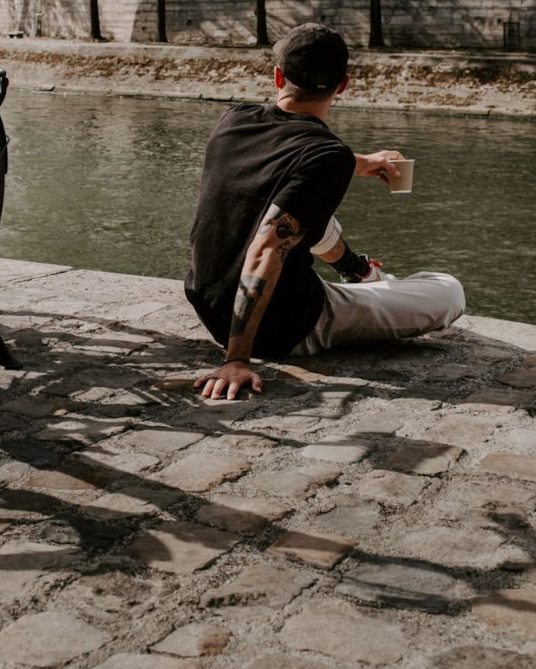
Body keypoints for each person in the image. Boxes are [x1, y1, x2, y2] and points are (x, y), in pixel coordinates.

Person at [186, 23, 466, 400]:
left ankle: (359, 271)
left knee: (301, 211)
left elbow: (295, 158)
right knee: (448, 292)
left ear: (278, 76)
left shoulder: (233, 119)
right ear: (344, 85)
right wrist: (237, 358)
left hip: (211, 305)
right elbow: (267, 249)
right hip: (288, 325)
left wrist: (363, 162)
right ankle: (374, 281)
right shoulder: (327, 155)